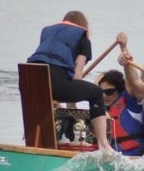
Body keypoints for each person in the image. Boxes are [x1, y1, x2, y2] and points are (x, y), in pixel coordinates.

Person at [26, 10, 113, 151]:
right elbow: (77, 77)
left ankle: (35, 144)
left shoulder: (49, 33)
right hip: (55, 84)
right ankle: (104, 145)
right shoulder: (83, 39)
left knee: (53, 97)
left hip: (29, 80)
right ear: (84, 26)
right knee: (96, 93)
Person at [97, 66, 144, 156]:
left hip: (134, 155)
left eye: (109, 92)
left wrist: (126, 64)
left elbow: (132, 81)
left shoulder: (130, 102)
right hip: (112, 156)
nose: (104, 95)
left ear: (119, 90)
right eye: (101, 92)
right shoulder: (100, 107)